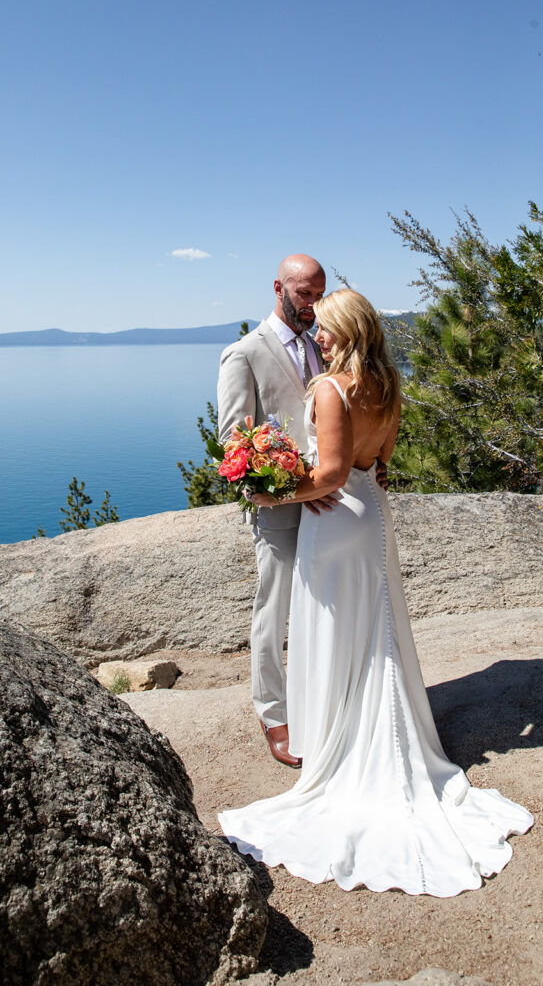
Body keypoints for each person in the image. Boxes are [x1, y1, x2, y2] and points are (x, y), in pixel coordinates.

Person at [218, 289, 533, 897]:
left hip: (332, 520)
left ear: (346, 330)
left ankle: (336, 740)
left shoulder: (331, 390)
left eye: (329, 330)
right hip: (373, 514)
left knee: (336, 629)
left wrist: (270, 493)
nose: (321, 339)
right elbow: (380, 462)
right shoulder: (388, 386)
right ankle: (379, 730)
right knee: (376, 629)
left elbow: (330, 474)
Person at [217, 254, 330, 768]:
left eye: (318, 295)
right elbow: (233, 442)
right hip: (281, 507)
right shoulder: (243, 353)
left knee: (323, 604)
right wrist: (286, 488)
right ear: (279, 288)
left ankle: (318, 700)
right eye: (304, 294)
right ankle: (273, 712)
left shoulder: (320, 345)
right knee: (275, 606)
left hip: (329, 503)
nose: (313, 305)